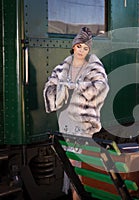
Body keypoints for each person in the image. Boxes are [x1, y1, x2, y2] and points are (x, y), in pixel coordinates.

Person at [43, 27, 109, 199]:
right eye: (79, 46)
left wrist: (77, 87)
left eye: (85, 48)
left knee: (77, 160)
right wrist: (59, 90)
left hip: (82, 120)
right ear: (73, 47)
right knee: (70, 158)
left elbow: (101, 88)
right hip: (65, 119)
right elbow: (49, 86)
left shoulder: (94, 66)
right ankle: (76, 193)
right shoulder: (62, 67)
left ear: (89, 51)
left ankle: (76, 194)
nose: (81, 50)